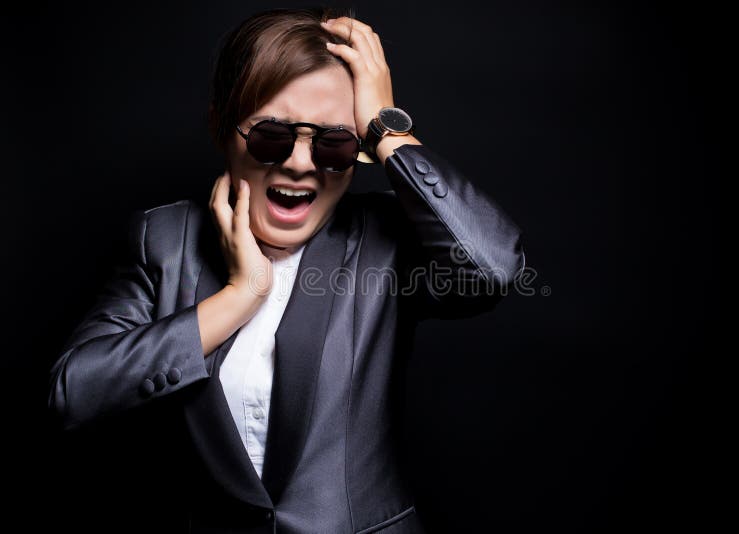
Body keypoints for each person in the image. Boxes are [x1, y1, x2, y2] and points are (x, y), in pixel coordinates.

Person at [48, 6, 525, 534]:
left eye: (335, 143)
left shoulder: (384, 242)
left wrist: (385, 130)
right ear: (221, 127)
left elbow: (494, 268)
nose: (300, 162)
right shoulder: (164, 242)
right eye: (272, 134)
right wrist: (239, 295)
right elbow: (74, 393)